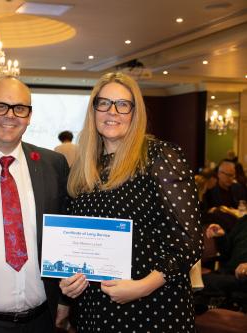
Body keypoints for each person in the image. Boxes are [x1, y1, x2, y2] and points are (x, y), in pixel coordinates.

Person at [59, 72, 202, 332]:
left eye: (123, 105)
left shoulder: (160, 157)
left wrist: (141, 287)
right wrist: (69, 283)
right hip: (93, 310)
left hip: (152, 308)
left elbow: (189, 242)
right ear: (93, 110)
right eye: (104, 103)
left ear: (135, 113)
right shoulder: (85, 167)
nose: (112, 111)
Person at [0, 77, 70, 332]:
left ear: (29, 116)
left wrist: (65, 300)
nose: (10, 116)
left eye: (20, 108)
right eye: (0, 106)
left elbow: (63, 235)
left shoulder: (53, 165)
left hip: (42, 320)